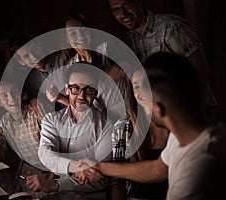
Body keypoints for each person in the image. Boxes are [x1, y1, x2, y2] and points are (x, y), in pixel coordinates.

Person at [80, 52, 226, 199]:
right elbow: (157, 169)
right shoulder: (182, 136)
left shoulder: (200, 164)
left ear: (158, 109)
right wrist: (100, 167)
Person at [107, 0, 217, 114]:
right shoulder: (125, 42)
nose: (123, 14)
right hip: (162, 118)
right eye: (116, 10)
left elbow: (200, 68)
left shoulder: (170, 27)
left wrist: (195, 109)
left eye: (127, 5)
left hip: (192, 112)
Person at [35, 62, 114, 199]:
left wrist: (57, 185)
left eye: (88, 89)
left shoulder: (108, 125)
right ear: (66, 90)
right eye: (76, 88)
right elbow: (46, 153)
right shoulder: (51, 120)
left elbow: (102, 178)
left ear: (95, 92)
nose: (82, 96)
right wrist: (75, 166)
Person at [0, 78, 54, 198]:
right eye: (4, 96)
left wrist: (50, 178)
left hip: (50, 175)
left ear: (21, 93)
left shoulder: (37, 112)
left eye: (15, 92)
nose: (11, 99)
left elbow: (59, 150)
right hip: (27, 176)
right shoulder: (6, 121)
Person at [110, 69, 169, 199]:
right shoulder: (123, 127)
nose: (140, 90)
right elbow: (117, 181)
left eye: (146, 84)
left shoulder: (174, 126)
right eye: (136, 86)